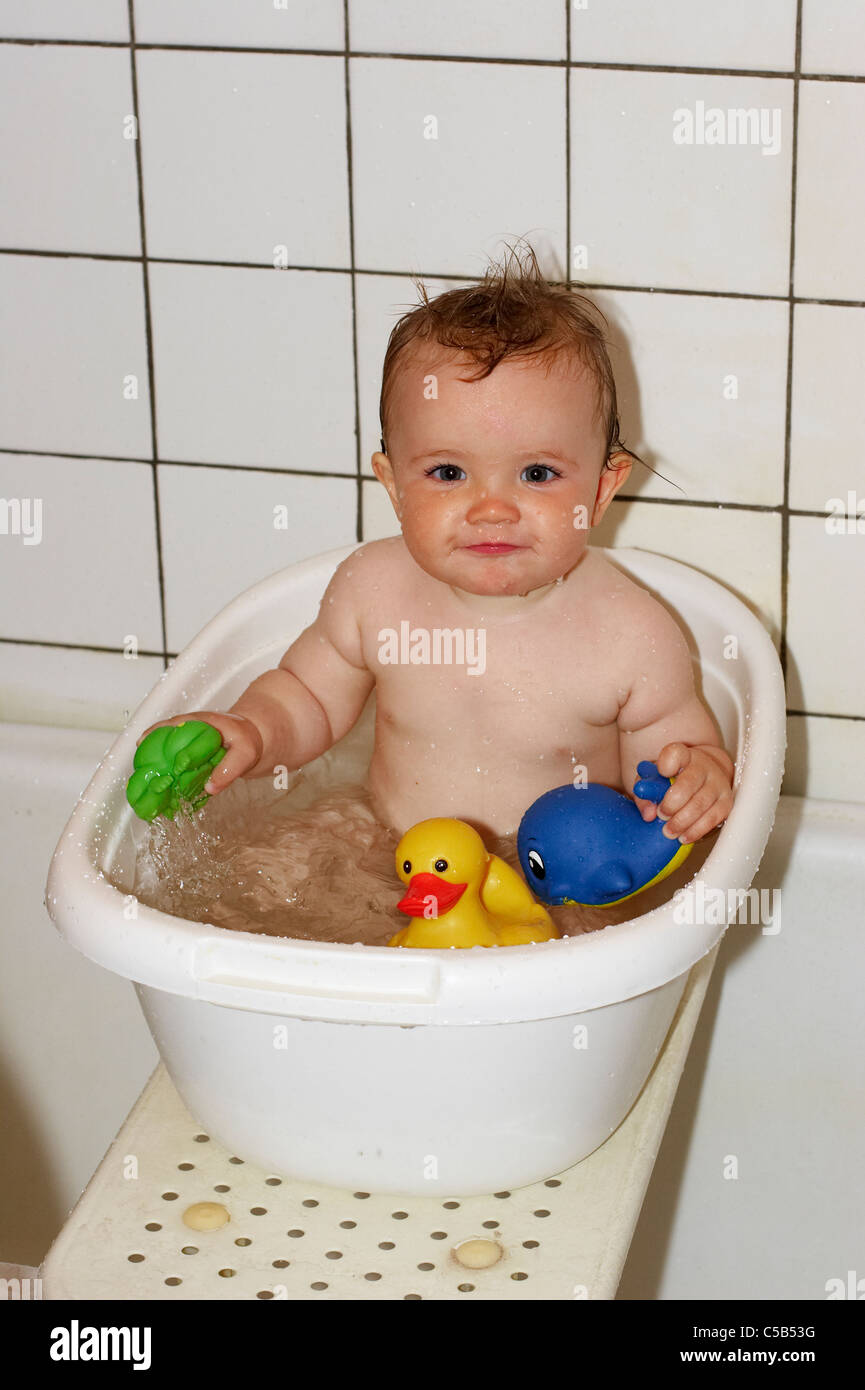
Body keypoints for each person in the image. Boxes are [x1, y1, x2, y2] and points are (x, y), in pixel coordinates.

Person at [140, 245, 734, 847]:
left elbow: (669, 762)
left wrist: (698, 779)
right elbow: (309, 699)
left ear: (603, 488)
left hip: (548, 887)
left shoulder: (632, 634)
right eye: (448, 473)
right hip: (387, 849)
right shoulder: (372, 591)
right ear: (395, 485)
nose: (492, 510)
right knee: (271, 876)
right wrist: (253, 733)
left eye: (536, 474)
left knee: (593, 931)